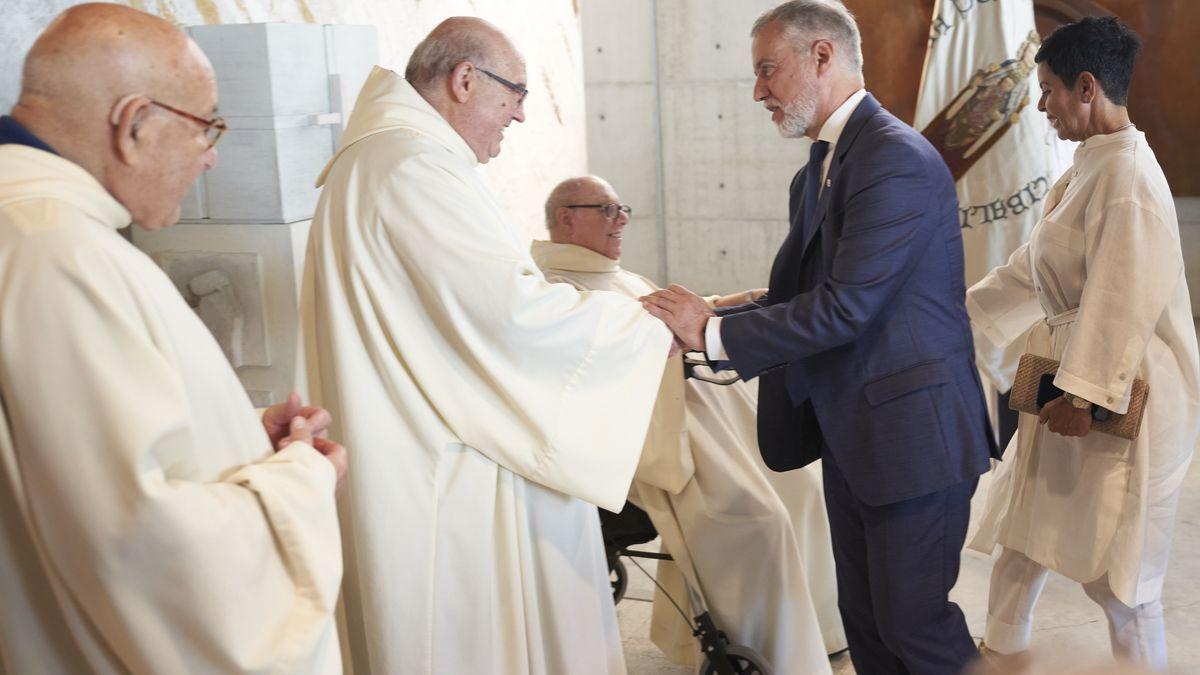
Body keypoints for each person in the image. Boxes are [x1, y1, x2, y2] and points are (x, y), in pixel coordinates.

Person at [301, 18, 673, 675]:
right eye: (516, 94)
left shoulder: (384, 160)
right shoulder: (411, 168)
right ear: (464, 81)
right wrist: (641, 328)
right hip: (443, 473)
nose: (523, 115)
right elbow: (509, 317)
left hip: (413, 443)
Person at [641, 2, 997, 673]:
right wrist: (708, 319)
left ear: (823, 56)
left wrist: (710, 333)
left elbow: (844, 308)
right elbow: (806, 298)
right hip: (857, 436)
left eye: (767, 70)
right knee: (868, 630)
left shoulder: (893, 159)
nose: (758, 91)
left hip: (913, 439)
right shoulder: (822, 167)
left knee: (917, 630)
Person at [0, 5, 347, 673]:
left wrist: (245, 436)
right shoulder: (59, 254)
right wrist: (303, 473)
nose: (213, 157)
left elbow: (68, 459)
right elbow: (138, 540)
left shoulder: (37, 231)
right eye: (207, 127)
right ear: (133, 124)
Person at [533, 175, 847, 672]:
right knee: (758, 519)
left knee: (802, 489)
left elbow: (665, 314)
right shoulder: (553, 285)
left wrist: (729, 303)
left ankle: (819, 631)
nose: (623, 220)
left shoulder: (610, 274)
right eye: (608, 210)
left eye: (623, 208)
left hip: (696, 418)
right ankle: (770, 646)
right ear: (566, 218)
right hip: (644, 435)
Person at [967, 17, 1199, 670]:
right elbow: (1032, 269)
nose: (1041, 106)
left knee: (1118, 575)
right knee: (1023, 537)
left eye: (1048, 90)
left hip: (1121, 393)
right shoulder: (1091, 167)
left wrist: (1085, 397)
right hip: (1067, 378)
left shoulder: (1126, 178)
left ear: (1087, 87)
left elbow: (1120, 301)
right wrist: (956, 318)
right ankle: (1000, 654)